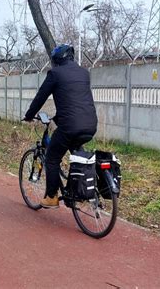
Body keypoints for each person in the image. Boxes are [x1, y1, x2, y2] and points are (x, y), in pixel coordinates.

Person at [23, 44, 98, 208]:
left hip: (70, 126)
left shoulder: (55, 73)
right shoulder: (84, 73)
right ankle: (79, 191)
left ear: (56, 59)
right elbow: (75, 101)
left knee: (52, 157)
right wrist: (58, 117)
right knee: (80, 157)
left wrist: (29, 116)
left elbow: (40, 97)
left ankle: (51, 197)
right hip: (90, 124)